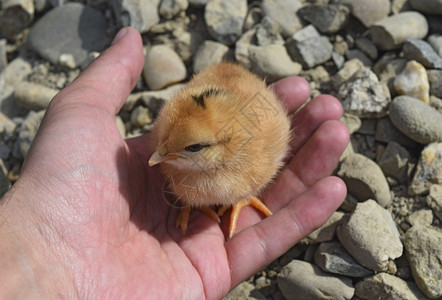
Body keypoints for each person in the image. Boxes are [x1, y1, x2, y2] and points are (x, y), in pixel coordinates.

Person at [0, 28, 349, 298]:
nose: (157, 156)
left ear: (224, 149)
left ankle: (235, 196)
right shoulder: (177, 134)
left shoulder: (251, 156)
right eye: (164, 144)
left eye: (189, 149)